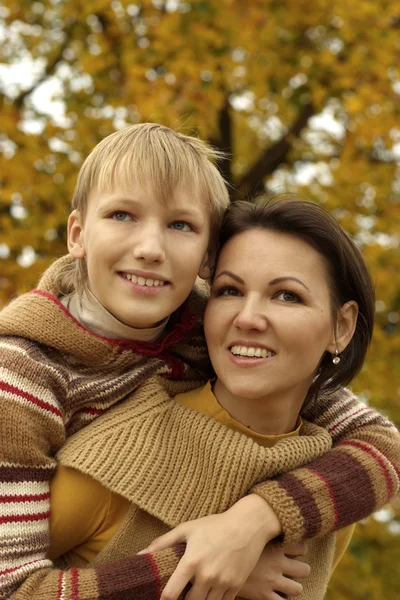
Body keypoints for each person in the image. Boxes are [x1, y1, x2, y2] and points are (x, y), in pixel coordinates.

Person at [0, 123, 398, 600]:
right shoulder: (23, 372)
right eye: (122, 214)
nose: (149, 249)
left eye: (180, 225)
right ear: (78, 234)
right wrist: (195, 566)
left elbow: (381, 445)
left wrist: (251, 522)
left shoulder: (203, 329)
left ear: (205, 257)